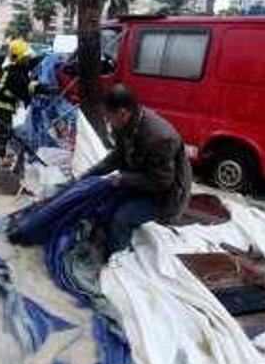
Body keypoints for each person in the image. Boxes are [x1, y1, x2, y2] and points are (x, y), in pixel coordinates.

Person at [82, 85, 192, 254]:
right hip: (142, 180)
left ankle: (117, 259)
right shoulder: (124, 125)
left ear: (123, 113)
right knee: (104, 199)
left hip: (165, 195)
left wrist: (124, 179)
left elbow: (162, 182)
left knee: (121, 217)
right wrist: (89, 174)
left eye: (109, 118)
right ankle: (107, 237)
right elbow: (117, 157)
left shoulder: (160, 138)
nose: (107, 122)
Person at [0, 39, 48, 167]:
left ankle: (0, 152)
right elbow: (26, 87)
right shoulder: (14, 74)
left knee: (2, 129)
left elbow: (30, 67)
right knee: (2, 130)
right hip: (0, 105)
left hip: (2, 104)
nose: (28, 59)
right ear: (20, 58)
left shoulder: (17, 67)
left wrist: (44, 58)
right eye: (25, 57)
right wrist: (44, 89)